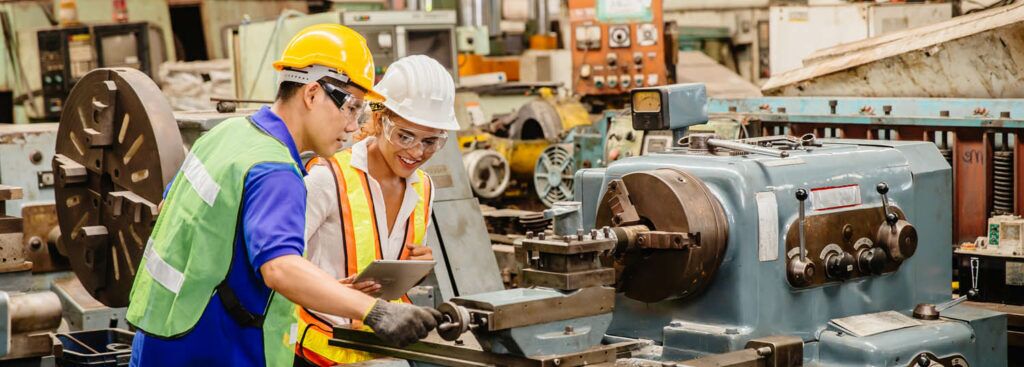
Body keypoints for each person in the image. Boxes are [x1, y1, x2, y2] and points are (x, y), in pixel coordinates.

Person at [125, 25, 442, 367]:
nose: (353, 127)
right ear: (312, 94)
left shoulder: (227, 135)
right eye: (351, 108)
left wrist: (331, 289)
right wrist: (375, 312)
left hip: (162, 336)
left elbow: (178, 212)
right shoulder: (276, 170)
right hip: (218, 347)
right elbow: (280, 268)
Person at [296, 55, 460, 366]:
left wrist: (416, 270)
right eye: (405, 136)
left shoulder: (424, 188)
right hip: (318, 352)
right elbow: (278, 270)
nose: (416, 152)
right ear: (380, 119)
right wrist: (340, 294)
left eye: (431, 141)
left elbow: (389, 283)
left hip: (385, 350)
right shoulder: (326, 178)